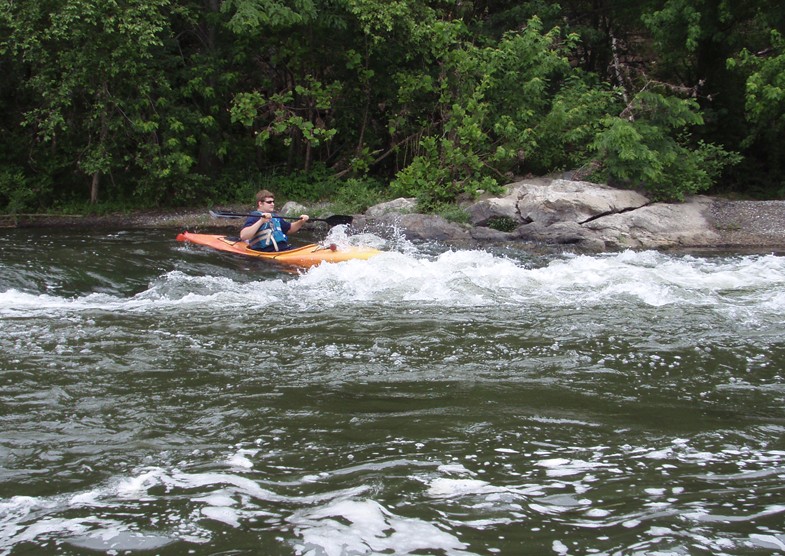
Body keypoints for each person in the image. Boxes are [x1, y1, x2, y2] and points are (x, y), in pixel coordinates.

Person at [240, 190, 309, 252]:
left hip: (284, 250)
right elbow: (243, 235)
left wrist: (301, 221)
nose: (272, 204)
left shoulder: (275, 217)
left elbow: (290, 229)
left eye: (273, 202)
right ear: (260, 203)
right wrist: (261, 221)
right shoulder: (255, 216)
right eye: (269, 202)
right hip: (267, 252)